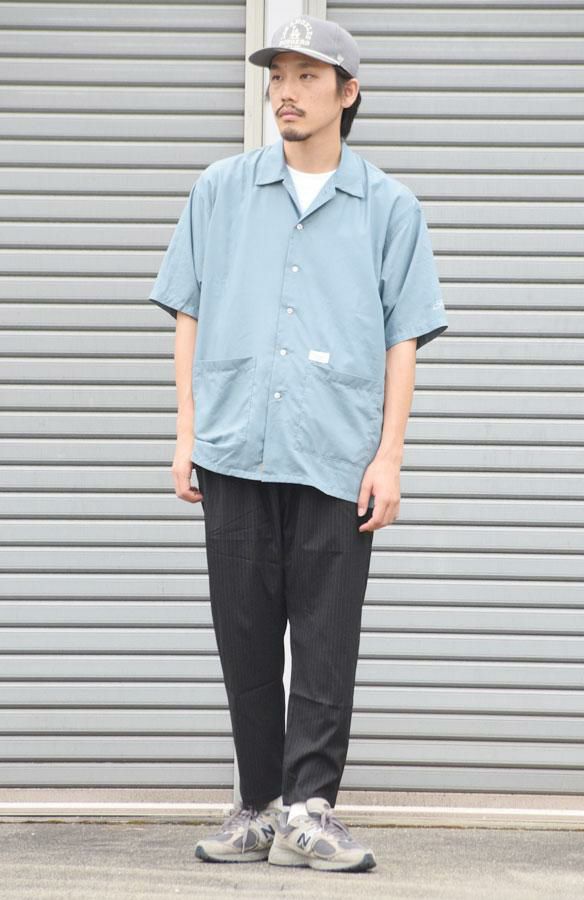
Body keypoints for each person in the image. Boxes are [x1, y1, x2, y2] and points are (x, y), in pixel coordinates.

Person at [148, 14, 448, 874]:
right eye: (277, 75)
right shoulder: (219, 191)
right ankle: (257, 806)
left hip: (336, 453)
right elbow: (188, 311)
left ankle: (311, 808)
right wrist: (186, 432)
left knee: (325, 636)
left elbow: (402, 338)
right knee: (243, 633)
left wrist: (389, 457)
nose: (285, 91)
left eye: (307, 77)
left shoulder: (390, 208)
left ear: (348, 93)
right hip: (235, 444)